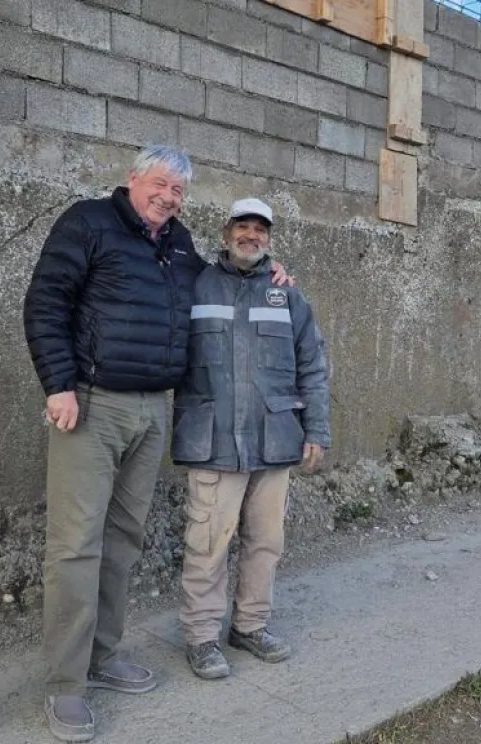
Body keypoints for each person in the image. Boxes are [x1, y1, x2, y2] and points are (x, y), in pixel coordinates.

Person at [22, 147, 291, 742]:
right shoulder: (88, 222)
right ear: (134, 179)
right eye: (161, 184)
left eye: (179, 191)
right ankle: (66, 685)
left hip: (152, 409)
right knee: (75, 545)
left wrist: (271, 275)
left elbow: (223, 280)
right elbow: (46, 302)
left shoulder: (178, 245)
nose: (169, 197)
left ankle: (103, 654)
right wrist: (58, 384)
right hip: (90, 405)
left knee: (123, 538)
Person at [170, 197, 330, 680]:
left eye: (260, 229)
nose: (251, 235)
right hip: (213, 439)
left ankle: (249, 626)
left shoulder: (288, 296)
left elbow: (314, 366)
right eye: (242, 226)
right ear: (225, 233)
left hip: (274, 439)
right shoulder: (194, 285)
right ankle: (201, 637)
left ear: (270, 239)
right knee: (207, 544)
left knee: (265, 542)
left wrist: (316, 430)